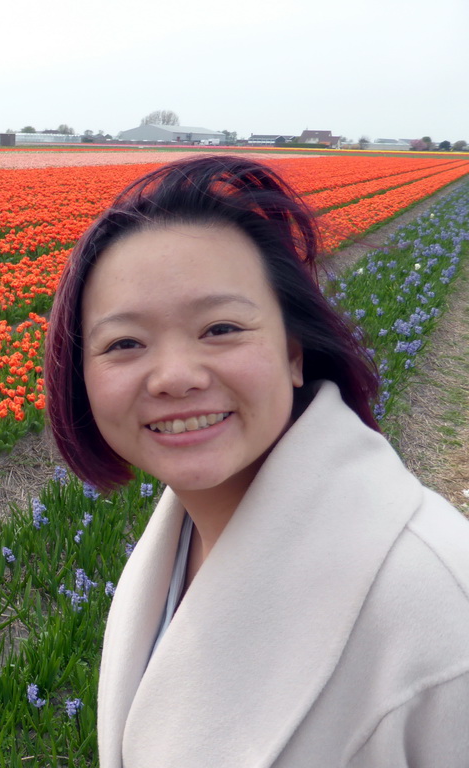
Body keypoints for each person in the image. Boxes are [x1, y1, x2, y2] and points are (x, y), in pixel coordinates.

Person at [44, 155, 469, 766]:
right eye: (125, 343)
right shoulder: (179, 539)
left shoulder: (437, 606)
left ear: (293, 353)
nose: (175, 377)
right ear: (79, 375)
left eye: (220, 328)